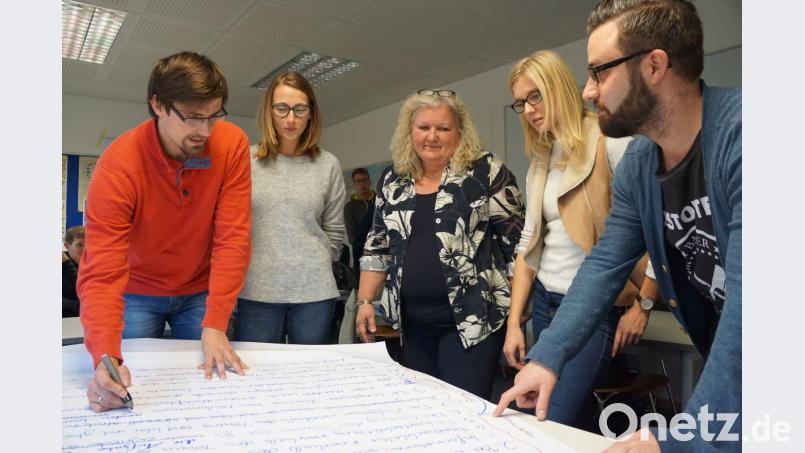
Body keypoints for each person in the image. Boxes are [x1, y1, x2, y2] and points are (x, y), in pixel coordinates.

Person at [494, 1, 741, 451]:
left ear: (654, 66)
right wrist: (547, 356)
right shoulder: (641, 165)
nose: (588, 91)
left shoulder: (746, 138)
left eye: (599, 72)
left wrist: (683, 439)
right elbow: (604, 264)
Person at [78, 51, 252, 413]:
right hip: (138, 291)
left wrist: (216, 322)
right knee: (130, 385)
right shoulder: (118, 167)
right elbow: (102, 271)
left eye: (213, 116)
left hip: (201, 291)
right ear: (157, 104)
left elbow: (232, 236)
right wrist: (105, 356)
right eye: (191, 117)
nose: (204, 131)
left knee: (211, 389)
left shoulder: (232, 144)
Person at [502, 49, 661, 430]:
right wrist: (513, 324)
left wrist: (645, 304)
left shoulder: (611, 140)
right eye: (520, 103)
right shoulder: (539, 159)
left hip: (594, 305)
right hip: (545, 302)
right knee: (532, 409)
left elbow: (655, 227)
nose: (528, 110)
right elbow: (529, 244)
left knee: (551, 416)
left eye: (535, 95)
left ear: (559, 87)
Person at [356, 89, 525, 400]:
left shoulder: (485, 170)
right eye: (423, 127)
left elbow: (517, 245)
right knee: (423, 410)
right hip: (412, 327)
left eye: (443, 128)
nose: (432, 136)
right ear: (410, 131)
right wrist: (365, 301)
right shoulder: (393, 180)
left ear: (459, 131)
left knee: (465, 410)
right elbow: (377, 246)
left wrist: (516, 318)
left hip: (472, 325)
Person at [235, 71, 346, 345]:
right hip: (256, 291)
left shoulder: (327, 164)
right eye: (282, 108)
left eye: (300, 109)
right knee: (257, 379)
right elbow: (230, 225)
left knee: (309, 378)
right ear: (268, 111)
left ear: (311, 114)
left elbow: (334, 229)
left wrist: (319, 261)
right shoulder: (245, 160)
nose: (291, 118)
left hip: (314, 294)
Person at [343, 168, 375, 246]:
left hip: (383, 248)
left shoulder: (380, 201)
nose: (362, 183)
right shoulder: (349, 208)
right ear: (354, 185)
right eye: (358, 181)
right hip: (362, 252)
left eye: (364, 179)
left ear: (369, 182)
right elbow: (352, 237)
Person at [62, 225, 85, 317]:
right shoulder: (63, 267)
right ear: (67, 246)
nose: (85, 249)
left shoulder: (93, 267)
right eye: (79, 245)